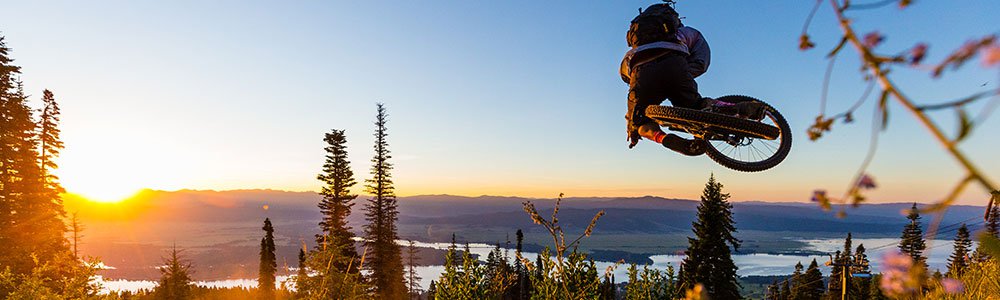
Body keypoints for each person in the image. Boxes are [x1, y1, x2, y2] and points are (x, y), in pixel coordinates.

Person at [620, 3, 761, 155]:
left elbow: (625, 75)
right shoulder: (687, 33)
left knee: (639, 123)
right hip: (676, 66)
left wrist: (633, 125)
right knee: (697, 106)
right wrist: (685, 73)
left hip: (641, 74)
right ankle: (741, 108)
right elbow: (702, 62)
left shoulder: (632, 51)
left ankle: (663, 138)